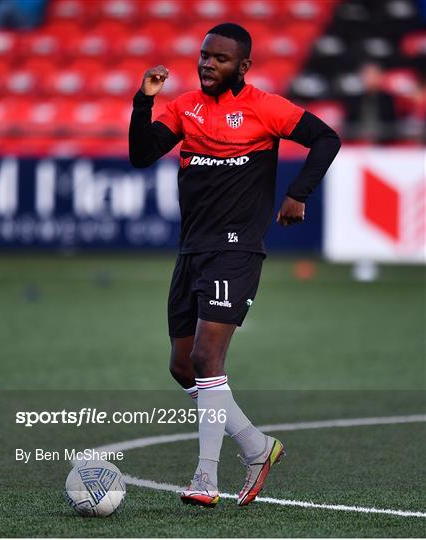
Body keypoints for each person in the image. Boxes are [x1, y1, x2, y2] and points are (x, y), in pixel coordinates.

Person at [129, 22, 341, 508]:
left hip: (237, 248)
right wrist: (145, 100)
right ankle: (256, 447)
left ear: (243, 66)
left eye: (220, 59)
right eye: (204, 55)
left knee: (207, 359)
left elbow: (326, 139)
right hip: (192, 251)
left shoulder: (267, 108)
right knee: (183, 367)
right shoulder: (185, 107)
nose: (208, 64)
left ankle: (205, 478)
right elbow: (141, 155)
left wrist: (297, 193)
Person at [344, 62, 397, 144]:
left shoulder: (389, 100)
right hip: (357, 144)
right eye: (367, 74)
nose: (371, 78)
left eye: (374, 74)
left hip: (384, 144)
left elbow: (392, 125)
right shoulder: (353, 101)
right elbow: (349, 126)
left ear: (380, 76)